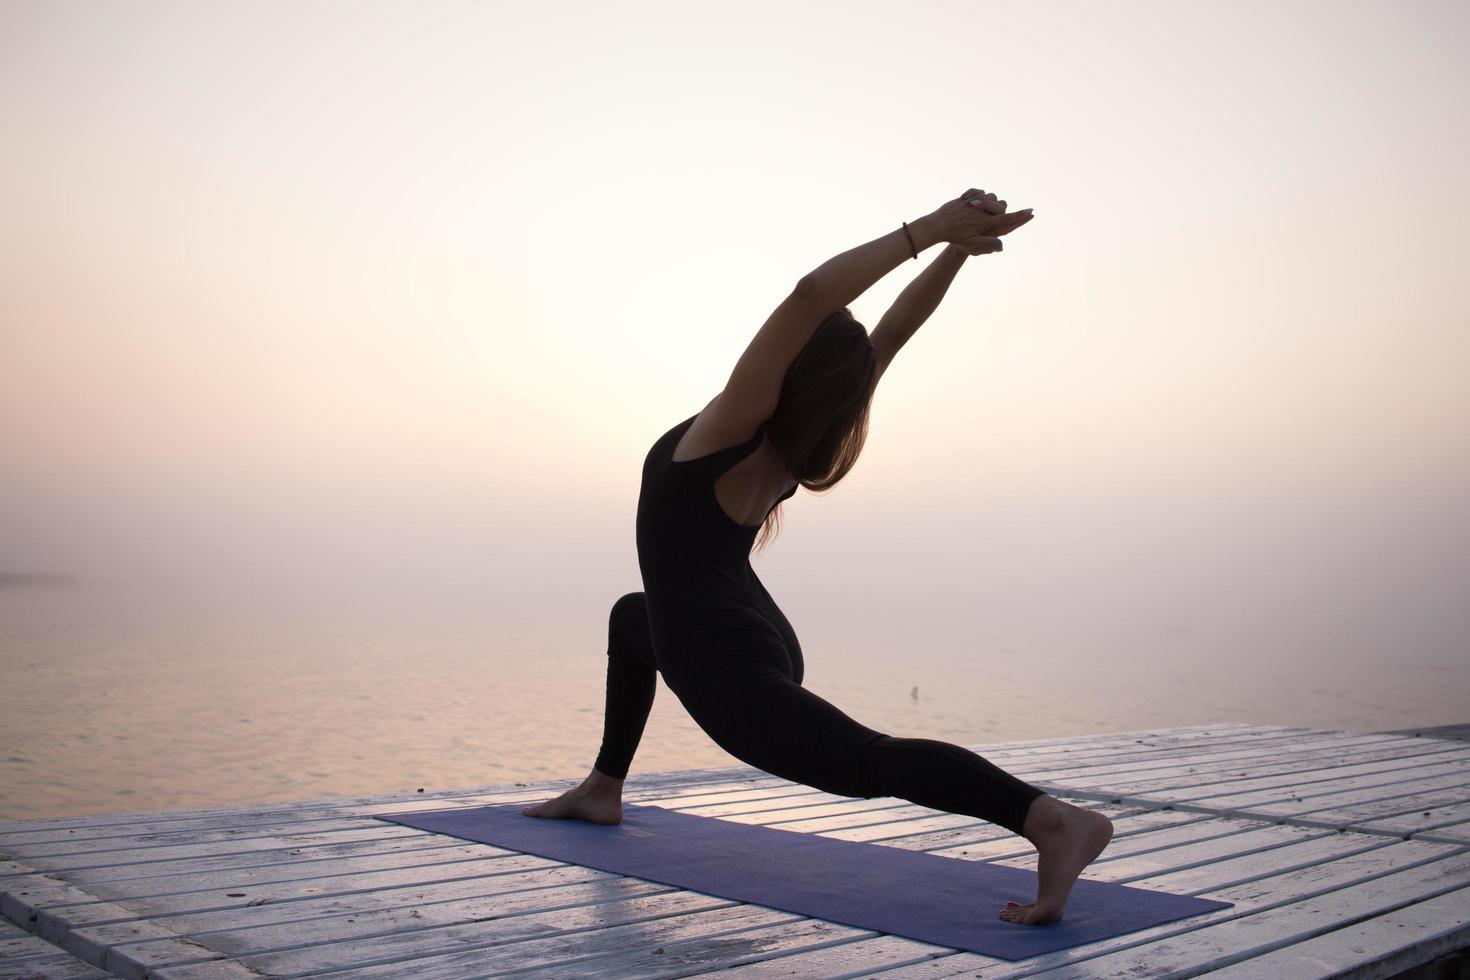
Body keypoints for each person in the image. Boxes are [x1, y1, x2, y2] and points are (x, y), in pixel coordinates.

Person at [523, 188, 1113, 925]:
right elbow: (892, 334)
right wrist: (958, 253)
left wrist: (931, 230)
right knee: (633, 617)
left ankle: (1049, 821)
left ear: (790, 365)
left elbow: (810, 296)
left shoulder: (731, 427)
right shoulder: (798, 445)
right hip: (748, 629)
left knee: (865, 763)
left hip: (721, 664)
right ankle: (602, 788)